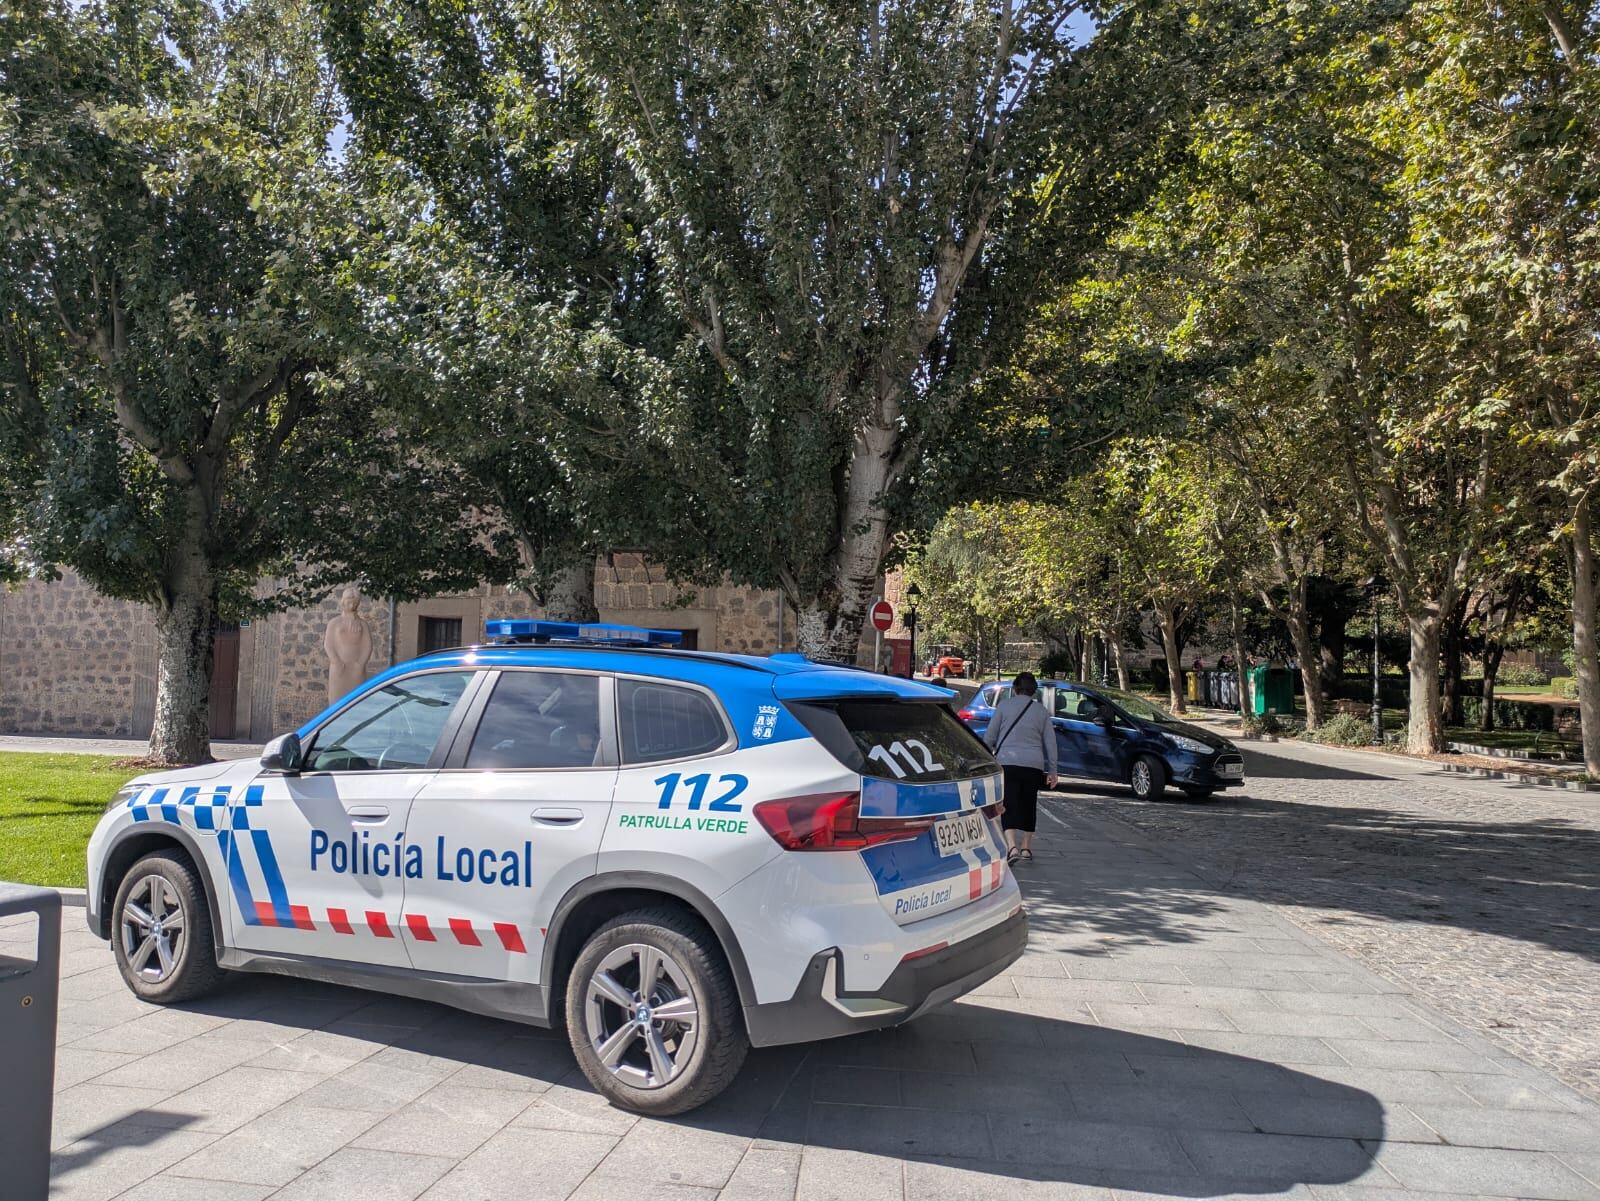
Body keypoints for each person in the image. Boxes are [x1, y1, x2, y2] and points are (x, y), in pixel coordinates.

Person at [982, 671, 1057, 864]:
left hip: (1007, 762)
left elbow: (989, 737)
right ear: (1033, 691)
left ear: (1015, 688)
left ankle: (1011, 846)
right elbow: (1050, 743)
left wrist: (984, 759)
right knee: (1028, 804)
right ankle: (1026, 848)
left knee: (1009, 804)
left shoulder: (1003, 706)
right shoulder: (1041, 711)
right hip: (1033, 764)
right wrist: (1053, 770)